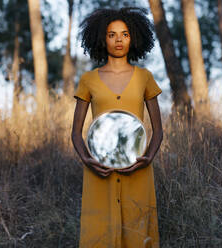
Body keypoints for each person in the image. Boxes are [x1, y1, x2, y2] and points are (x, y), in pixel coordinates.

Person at [71, 7, 163, 248]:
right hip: (99, 170)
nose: (118, 40)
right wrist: (86, 160)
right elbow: (76, 132)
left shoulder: (145, 77)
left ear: (134, 38)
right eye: (112, 34)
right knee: (98, 233)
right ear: (102, 38)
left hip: (138, 169)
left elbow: (158, 130)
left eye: (124, 34)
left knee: (137, 230)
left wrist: (148, 158)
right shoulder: (88, 80)